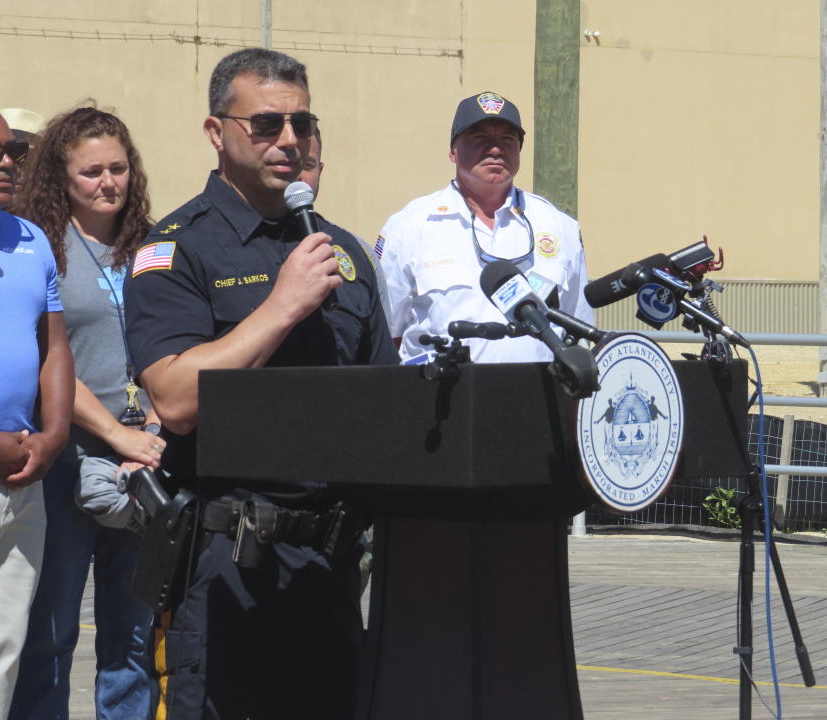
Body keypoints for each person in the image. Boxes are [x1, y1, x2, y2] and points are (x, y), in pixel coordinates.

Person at [124, 48, 397, 720]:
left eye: (302, 125)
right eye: (266, 124)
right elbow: (177, 399)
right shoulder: (178, 249)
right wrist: (281, 307)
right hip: (226, 570)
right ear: (217, 133)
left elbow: (385, 404)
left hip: (329, 567)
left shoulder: (341, 252)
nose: (290, 141)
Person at [8, 106, 162, 720]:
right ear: (60, 178)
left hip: (147, 458)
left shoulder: (153, 244)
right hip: (68, 458)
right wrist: (117, 433)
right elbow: (44, 359)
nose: (109, 183)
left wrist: (150, 432)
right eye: (91, 171)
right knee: (52, 632)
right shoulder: (39, 246)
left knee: (131, 636)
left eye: (119, 168)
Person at [0, 102, 74, 720]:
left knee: (2, 650)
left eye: (15, 151)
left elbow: (55, 348)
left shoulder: (30, 237)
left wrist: (54, 436)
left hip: (23, 472)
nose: (9, 163)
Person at [378, 90, 594, 362]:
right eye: (479, 137)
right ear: (453, 151)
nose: (495, 148)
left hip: (536, 398)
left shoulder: (560, 227)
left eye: (507, 138)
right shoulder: (410, 226)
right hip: (442, 397)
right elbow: (386, 335)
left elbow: (577, 330)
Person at [299, 128, 391, 321]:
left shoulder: (358, 252)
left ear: (320, 171)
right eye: (287, 164)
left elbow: (382, 344)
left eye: (307, 165)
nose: (297, 176)